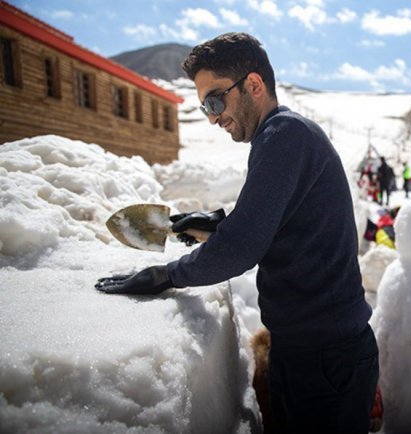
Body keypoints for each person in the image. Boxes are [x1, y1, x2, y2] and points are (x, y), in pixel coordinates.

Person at [95, 32, 378, 434]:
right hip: (310, 350)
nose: (212, 117)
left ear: (254, 85)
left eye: (215, 101)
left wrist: (167, 275)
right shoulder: (279, 136)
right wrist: (217, 225)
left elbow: (243, 247)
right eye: (204, 107)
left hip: (325, 358)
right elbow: (274, 226)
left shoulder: (285, 136)